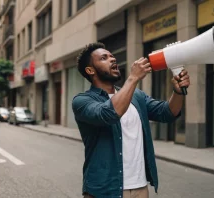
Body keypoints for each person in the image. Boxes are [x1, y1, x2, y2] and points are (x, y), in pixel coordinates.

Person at [72, 43, 190, 198]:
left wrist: (178, 92)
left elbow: (167, 113)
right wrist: (133, 78)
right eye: (104, 58)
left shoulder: (136, 96)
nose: (112, 59)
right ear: (90, 70)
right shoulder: (82, 101)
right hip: (104, 190)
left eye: (112, 56)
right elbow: (109, 114)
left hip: (140, 187)